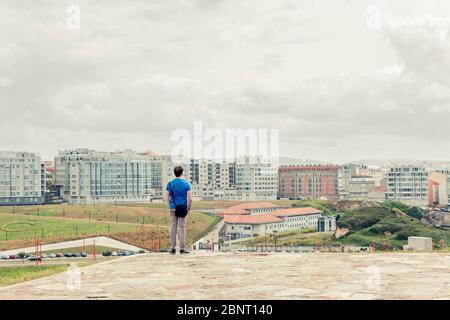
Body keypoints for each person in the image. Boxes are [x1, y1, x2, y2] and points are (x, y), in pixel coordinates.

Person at [164, 166, 192, 254]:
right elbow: (190, 199)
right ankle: (182, 248)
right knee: (182, 228)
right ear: (182, 173)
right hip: (182, 207)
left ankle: (172, 248)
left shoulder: (169, 184)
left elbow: (166, 197)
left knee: (173, 227)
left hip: (173, 208)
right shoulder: (186, 184)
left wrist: (170, 206)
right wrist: (188, 209)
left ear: (174, 173)